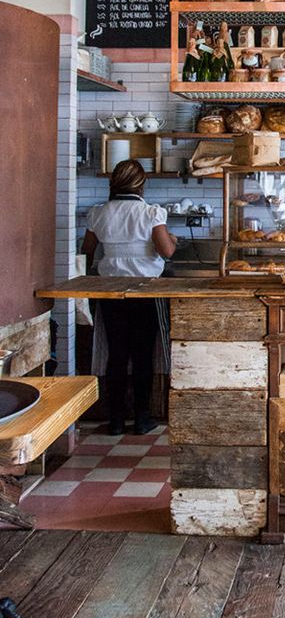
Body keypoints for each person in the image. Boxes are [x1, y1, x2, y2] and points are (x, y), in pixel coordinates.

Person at [81, 159, 177, 436]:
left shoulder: (98, 213)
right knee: (143, 355)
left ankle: (116, 420)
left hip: (110, 290)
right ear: (141, 184)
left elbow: (87, 251)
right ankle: (143, 418)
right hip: (145, 290)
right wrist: (171, 238)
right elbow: (167, 251)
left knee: (117, 355)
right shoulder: (150, 213)